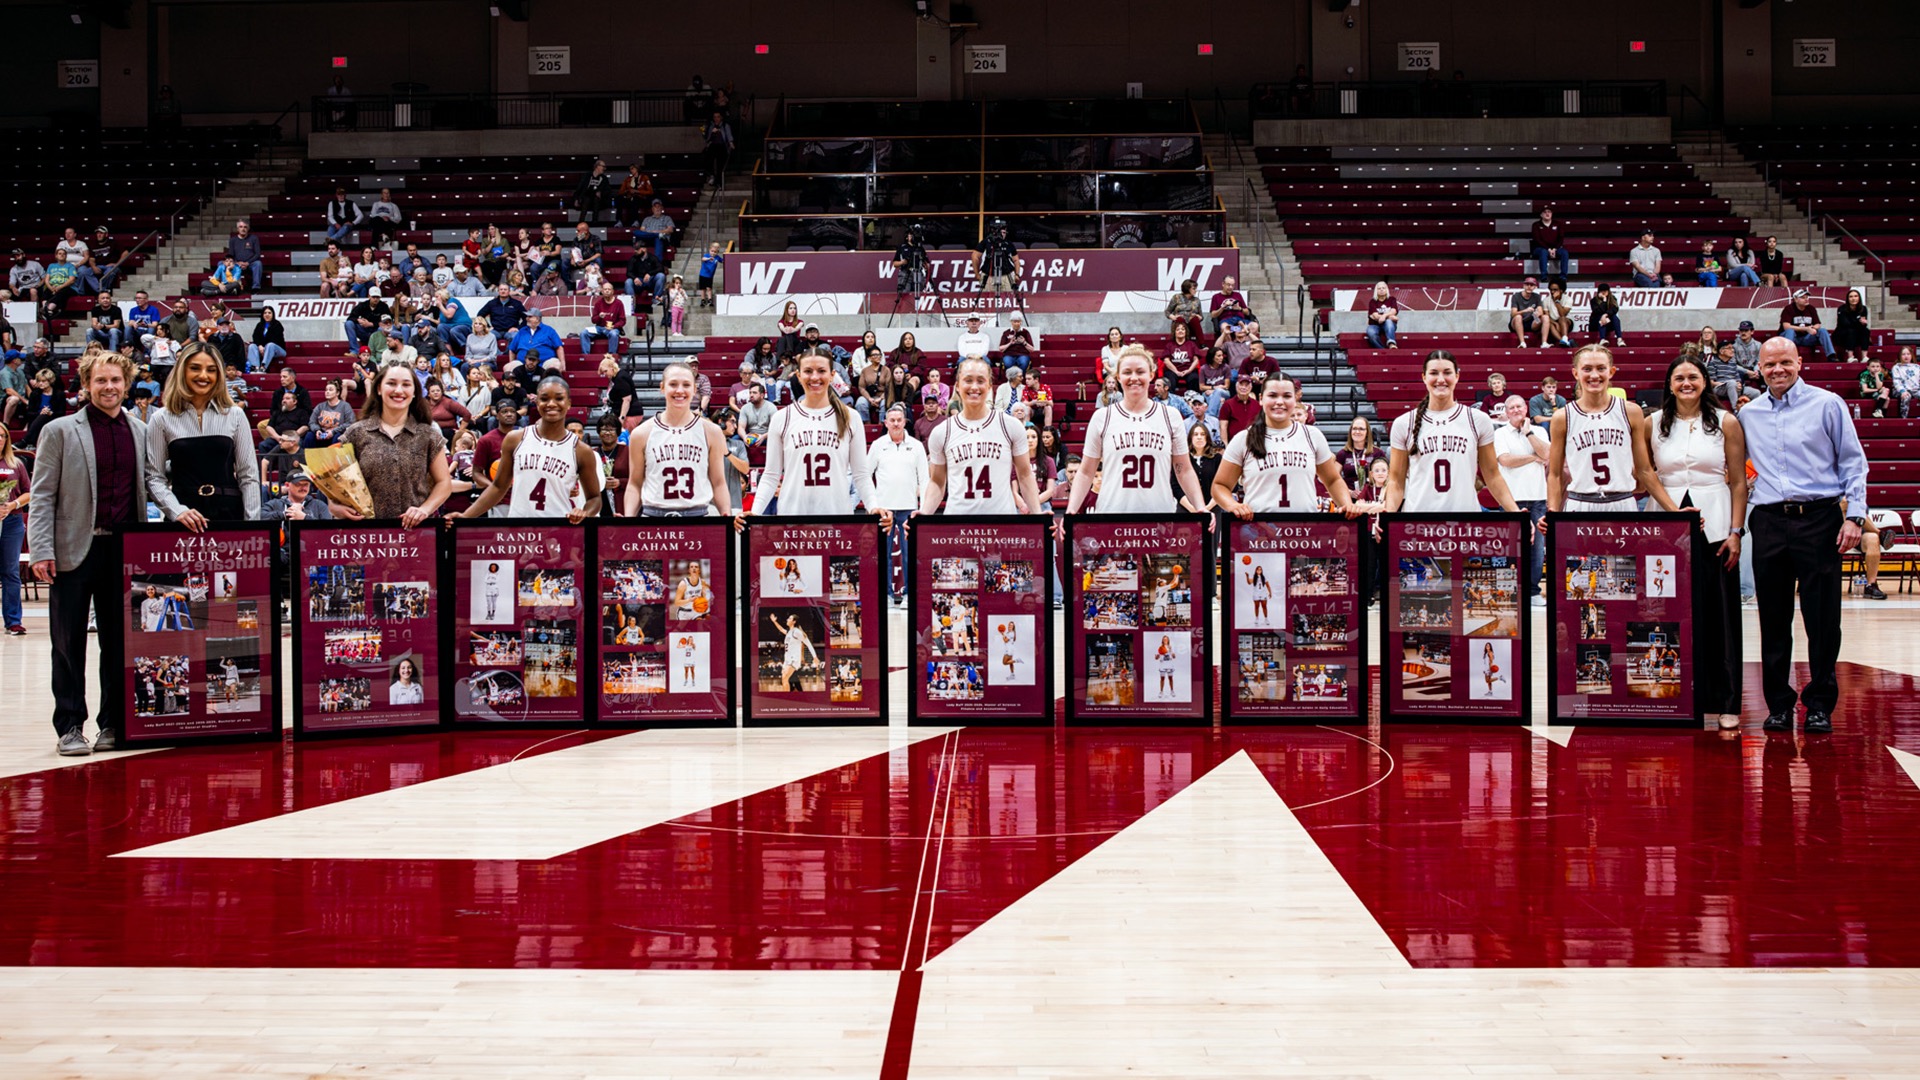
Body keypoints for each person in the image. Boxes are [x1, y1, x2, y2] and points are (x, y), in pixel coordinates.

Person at [1740, 336, 1869, 735]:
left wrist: (1856, 518)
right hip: (1769, 522)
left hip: (1820, 519)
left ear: (1799, 362)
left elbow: (1853, 463)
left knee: (1822, 619)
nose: (1778, 370)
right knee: (1773, 619)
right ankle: (1778, 704)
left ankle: (1819, 704)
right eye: (1769, 364)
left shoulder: (1828, 404)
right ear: (1758, 368)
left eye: (1785, 362)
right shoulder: (1749, 414)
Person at [28, 349, 149, 755]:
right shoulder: (60, 430)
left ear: (127, 385)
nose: (109, 387)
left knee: (118, 644)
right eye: (101, 380)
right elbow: (42, 495)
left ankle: (112, 723)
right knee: (67, 643)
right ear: (86, 385)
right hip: (71, 550)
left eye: (116, 380)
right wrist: (42, 549)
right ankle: (69, 726)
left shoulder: (140, 430)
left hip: (122, 552)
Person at [1639, 353, 1749, 729]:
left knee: (1719, 613)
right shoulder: (1653, 423)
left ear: (1706, 382)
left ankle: (1726, 700)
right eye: (1679, 378)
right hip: (1664, 525)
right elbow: (1645, 473)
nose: (1686, 383)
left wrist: (1736, 531)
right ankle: (1671, 696)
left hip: (1715, 524)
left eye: (1693, 377)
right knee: (1665, 613)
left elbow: (1738, 482)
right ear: (1669, 384)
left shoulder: (1726, 422)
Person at [1066, 345, 1211, 517]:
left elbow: (1183, 469)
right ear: (1118, 376)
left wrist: (1200, 506)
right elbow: (1086, 471)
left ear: (1151, 375)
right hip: (1111, 514)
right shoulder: (1102, 417)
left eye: (1140, 372)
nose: (1134, 378)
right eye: (1127, 372)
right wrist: (1071, 510)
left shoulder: (1170, 416)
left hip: (1160, 515)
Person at [755, 350, 889, 526]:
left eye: (821, 370)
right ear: (798, 375)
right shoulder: (782, 418)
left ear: (833, 375)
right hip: (793, 517)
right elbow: (771, 475)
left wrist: (873, 506)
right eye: (808, 371)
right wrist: (755, 512)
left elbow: (861, 475)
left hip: (838, 518)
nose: (815, 377)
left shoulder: (851, 417)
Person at [1383, 351, 1522, 514]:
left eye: (1447, 373)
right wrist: (1387, 515)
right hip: (1418, 523)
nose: (1441, 379)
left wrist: (1516, 512)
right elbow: (1396, 481)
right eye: (1434, 373)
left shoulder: (1477, 420)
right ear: (1424, 377)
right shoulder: (1404, 423)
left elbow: (1492, 476)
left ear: (1457, 376)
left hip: (1465, 523)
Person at [1547, 345, 1675, 516]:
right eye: (1587, 369)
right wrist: (1553, 513)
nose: (1594, 375)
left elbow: (1644, 470)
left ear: (1612, 371)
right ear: (1576, 373)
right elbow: (1555, 475)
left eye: (1601, 368)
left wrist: (1678, 513)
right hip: (1580, 503)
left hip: (1622, 502)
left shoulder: (1631, 411)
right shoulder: (1563, 417)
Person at [145, 342, 261, 529]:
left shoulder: (235, 415)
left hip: (230, 516)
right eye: (195, 368)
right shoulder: (160, 419)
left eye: (211, 370)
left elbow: (248, 476)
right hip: (183, 519)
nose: (203, 375)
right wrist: (177, 511)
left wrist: (253, 526)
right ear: (182, 371)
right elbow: (154, 477)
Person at [462, 375, 603, 522]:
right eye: (544, 398)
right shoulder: (515, 439)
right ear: (536, 402)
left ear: (568, 403)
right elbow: (498, 488)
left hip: (559, 530)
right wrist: (465, 517)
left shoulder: (581, 450)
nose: (551, 404)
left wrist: (584, 513)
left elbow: (594, 499)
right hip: (519, 528)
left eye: (559, 398)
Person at [1212, 374, 1354, 517]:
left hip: (1305, 530)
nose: (1279, 402)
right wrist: (1233, 505)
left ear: (1295, 399)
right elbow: (1220, 486)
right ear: (1261, 399)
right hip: (1260, 532)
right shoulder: (1243, 439)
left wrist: (1347, 505)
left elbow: (1332, 480)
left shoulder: (1312, 435)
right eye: (1272, 395)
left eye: (1286, 396)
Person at [921, 357, 1046, 518]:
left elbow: (1024, 474)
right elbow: (937, 482)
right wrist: (924, 514)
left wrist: (1038, 514)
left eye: (980, 381)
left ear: (989, 386)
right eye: (968, 380)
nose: (974, 386)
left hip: (1002, 524)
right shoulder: (942, 431)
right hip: (957, 525)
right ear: (957, 386)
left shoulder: (1010, 425)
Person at [334, 363, 454, 527]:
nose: (398, 390)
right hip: (366, 534)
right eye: (391, 383)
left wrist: (424, 510)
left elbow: (444, 483)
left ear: (414, 392)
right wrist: (334, 506)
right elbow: (335, 482)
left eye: (406, 384)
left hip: (416, 535)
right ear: (378, 389)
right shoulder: (356, 433)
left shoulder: (429, 435)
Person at [619, 363, 731, 518]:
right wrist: (629, 520)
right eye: (673, 384)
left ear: (694, 389)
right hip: (653, 516)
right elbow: (634, 483)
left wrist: (726, 515)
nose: (680, 390)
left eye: (686, 385)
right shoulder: (641, 433)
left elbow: (718, 482)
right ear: (662, 387)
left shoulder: (712, 432)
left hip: (698, 516)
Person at [867, 403, 929, 603]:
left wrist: (923, 507)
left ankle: (909, 596)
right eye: (891, 420)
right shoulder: (877, 446)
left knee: (909, 555)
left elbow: (925, 479)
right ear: (885, 423)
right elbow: (865, 475)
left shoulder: (917, 446)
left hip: (909, 507)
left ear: (905, 422)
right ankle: (885, 595)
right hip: (884, 509)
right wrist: (873, 503)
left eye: (899, 420)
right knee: (882, 554)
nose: (895, 423)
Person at [1492, 396, 1549, 602]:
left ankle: (1533, 591)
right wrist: (1533, 458)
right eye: (1511, 407)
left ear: (1526, 409)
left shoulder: (1540, 431)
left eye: (1519, 406)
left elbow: (1548, 454)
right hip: (1511, 499)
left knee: (1537, 548)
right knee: (1510, 547)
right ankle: (1510, 592)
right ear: (1506, 412)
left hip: (1538, 498)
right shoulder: (1500, 433)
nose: (1516, 410)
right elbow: (1505, 460)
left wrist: (1528, 433)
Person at [0, 426, 29, 634]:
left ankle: (13, 621)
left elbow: (29, 493)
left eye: (2, 436)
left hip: (12, 522)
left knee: (10, 571)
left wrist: (12, 505)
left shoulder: (16, 464)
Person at [971, 218, 1022, 302]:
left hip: (1006, 276)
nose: (1002, 234)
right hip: (988, 276)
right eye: (1000, 231)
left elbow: (1016, 260)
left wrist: (1017, 274)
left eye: (1004, 232)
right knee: (988, 300)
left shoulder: (1008, 243)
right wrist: (977, 274)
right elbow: (974, 256)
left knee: (1008, 300)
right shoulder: (986, 241)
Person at [1778, 288, 1836, 361]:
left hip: (1805, 338)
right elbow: (1786, 326)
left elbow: (1818, 324)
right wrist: (1806, 329)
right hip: (1790, 338)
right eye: (1802, 297)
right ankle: (1787, 357)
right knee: (1790, 331)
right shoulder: (1789, 308)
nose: (1806, 299)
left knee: (1822, 331)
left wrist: (1812, 328)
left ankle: (1831, 356)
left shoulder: (1811, 308)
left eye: (1807, 297)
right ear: (1795, 299)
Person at [1509, 276, 1549, 349]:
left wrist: (1538, 314)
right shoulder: (1516, 296)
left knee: (1545, 317)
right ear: (1524, 285)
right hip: (1517, 322)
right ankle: (1522, 342)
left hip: (1531, 322)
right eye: (1527, 285)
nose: (1529, 287)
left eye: (1531, 285)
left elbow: (1540, 311)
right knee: (1518, 317)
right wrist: (1525, 310)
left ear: (1535, 287)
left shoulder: (1537, 296)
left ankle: (1544, 343)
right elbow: (1513, 314)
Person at [1834, 288, 1872, 362]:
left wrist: (1862, 323)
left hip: (1856, 333)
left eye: (1855, 296)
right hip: (1842, 334)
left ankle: (1864, 357)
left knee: (1865, 331)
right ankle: (1850, 357)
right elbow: (1845, 324)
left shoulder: (1863, 309)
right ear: (1847, 299)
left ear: (1859, 298)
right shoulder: (1842, 309)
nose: (1853, 298)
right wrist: (1858, 322)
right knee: (1851, 331)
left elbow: (1863, 325)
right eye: (1851, 297)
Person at [1532, 207, 1569, 279]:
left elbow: (1561, 238)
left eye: (1549, 212)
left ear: (1552, 214)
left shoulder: (1558, 224)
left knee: (1564, 253)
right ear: (1541, 215)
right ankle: (1544, 276)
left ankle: (1563, 276)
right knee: (1543, 252)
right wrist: (1548, 249)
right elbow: (1537, 239)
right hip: (1540, 248)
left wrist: (1554, 249)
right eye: (1545, 212)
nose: (1547, 214)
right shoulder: (1536, 225)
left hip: (1555, 248)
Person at [1165, 278, 1205, 342]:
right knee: (1180, 319)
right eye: (1194, 289)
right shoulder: (1176, 297)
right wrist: (1172, 317)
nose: (1196, 291)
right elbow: (1167, 311)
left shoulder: (1196, 300)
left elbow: (1201, 316)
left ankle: (1202, 344)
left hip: (1192, 324)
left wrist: (1200, 317)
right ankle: (1178, 342)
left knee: (1195, 319)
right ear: (1188, 289)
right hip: (1180, 323)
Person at [1365, 281, 1400, 349]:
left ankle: (1391, 343)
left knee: (1388, 322)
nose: (1381, 290)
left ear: (1386, 289)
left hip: (1389, 325)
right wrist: (1390, 316)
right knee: (1370, 332)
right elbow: (1375, 315)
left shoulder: (1392, 299)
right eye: (1379, 288)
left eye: (1383, 288)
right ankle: (1381, 349)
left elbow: (1394, 310)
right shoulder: (1373, 301)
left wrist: (1384, 316)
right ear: (1376, 291)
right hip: (1375, 325)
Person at [1892, 345, 1920, 418]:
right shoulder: (1896, 367)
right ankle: (1904, 418)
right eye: (1903, 354)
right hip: (1900, 390)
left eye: (1908, 354)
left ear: (1911, 355)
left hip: (1915, 389)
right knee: (1906, 397)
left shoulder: (1917, 367)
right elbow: (1896, 381)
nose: (1906, 356)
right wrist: (1902, 391)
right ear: (1900, 356)